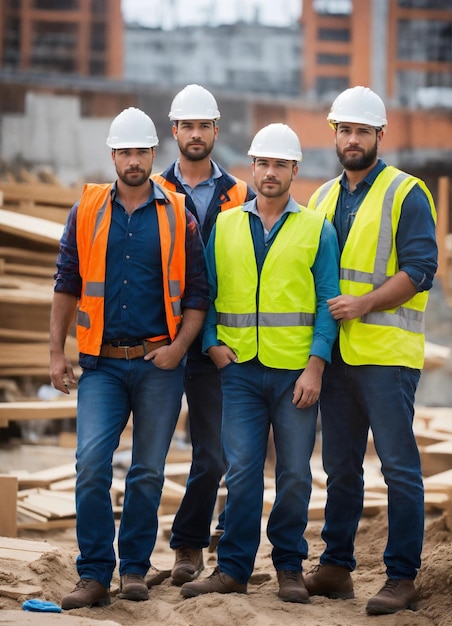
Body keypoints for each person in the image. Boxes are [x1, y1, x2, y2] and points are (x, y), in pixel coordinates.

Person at [49, 107, 210, 610]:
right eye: (125, 152)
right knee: (91, 464)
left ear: (152, 155)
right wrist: (56, 351)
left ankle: (134, 568)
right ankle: (95, 573)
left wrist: (179, 349)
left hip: (158, 365)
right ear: (113, 155)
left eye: (142, 152)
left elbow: (198, 294)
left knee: (147, 471)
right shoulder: (88, 209)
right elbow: (66, 282)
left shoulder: (178, 215)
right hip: (101, 364)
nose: (134, 161)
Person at [179, 123, 340, 603]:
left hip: (295, 375)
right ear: (252, 167)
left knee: (293, 471)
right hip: (241, 372)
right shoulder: (226, 225)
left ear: (295, 169)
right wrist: (210, 342)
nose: (270, 173)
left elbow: (327, 302)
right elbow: (205, 292)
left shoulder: (316, 228)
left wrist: (316, 366)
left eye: (280, 164)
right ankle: (233, 568)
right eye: (262, 163)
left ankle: (290, 566)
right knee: (244, 470)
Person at [303, 86, 438, 616]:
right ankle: (336, 567)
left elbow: (421, 269)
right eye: (344, 130)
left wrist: (363, 305)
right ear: (334, 134)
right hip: (337, 359)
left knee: (399, 468)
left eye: (361, 131)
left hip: (386, 355)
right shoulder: (322, 199)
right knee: (339, 467)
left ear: (380, 135)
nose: (352, 139)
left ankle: (402, 577)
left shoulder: (407, 193)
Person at [152, 84, 255, 585]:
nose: (195, 134)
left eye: (203, 125)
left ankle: (189, 547)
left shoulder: (241, 195)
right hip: (165, 340)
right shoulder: (151, 189)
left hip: (215, 344)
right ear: (174, 132)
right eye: (186, 126)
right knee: (149, 457)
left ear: (216, 130)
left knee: (213, 454)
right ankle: (141, 557)